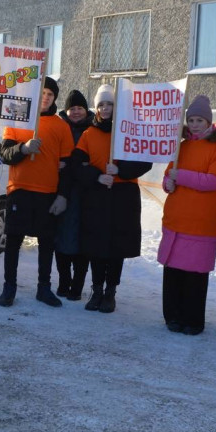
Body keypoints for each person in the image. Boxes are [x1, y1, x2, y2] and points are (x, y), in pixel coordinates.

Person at [73, 84, 152, 313]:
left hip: (123, 196)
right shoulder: (88, 134)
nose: (105, 108)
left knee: (117, 246)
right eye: (101, 104)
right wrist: (97, 176)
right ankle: (97, 289)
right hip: (97, 196)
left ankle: (110, 292)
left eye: (110, 104)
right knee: (97, 245)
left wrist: (120, 171)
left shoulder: (130, 131)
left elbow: (145, 162)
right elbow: (76, 165)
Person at [0, 76, 74, 307]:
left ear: (54, 98)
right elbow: (5, 155)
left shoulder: (61, 126)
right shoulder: (16, 119)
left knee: (46, 244)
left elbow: (68, 166)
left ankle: (44, 287)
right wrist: (23, 148)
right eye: (42, 93)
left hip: (47, 192)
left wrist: (63, 196)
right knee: (13, 242)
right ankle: (9, 287)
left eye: (50, 94)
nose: (46, 98)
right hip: (19, 190)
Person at [158, 95, 216, 334]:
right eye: (191, 120)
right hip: (176, 220)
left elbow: (214, 181)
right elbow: (169, 174)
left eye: (200, 120)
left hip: (201, 223)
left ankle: (193, 320)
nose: (195, 124)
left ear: (209, 122)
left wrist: (181, 177)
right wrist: (168, 183)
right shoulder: (181, 146)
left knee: (194, 276)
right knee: (174, 273)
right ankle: (172, 316)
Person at [54, 89, 94, 300]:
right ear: (66, 111)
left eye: (80, 108)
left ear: (86, 110)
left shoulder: (94, 129)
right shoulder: (60, 128)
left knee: (83, 240)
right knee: (61, 237)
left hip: (86, 194)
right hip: (62, 191)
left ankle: (77, 285)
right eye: (72, 108)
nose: (76, 112)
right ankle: (63, 281)